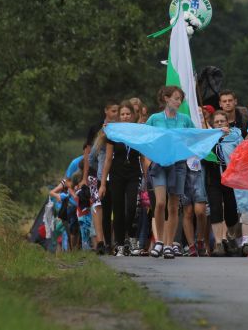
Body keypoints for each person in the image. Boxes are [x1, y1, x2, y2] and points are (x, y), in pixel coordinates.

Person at [144, 85, 195, 259]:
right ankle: (159, 241)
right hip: (158, 165)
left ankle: (168, 244)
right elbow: (141, 136)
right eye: (175, 98)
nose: (178, 102)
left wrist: (219, 131)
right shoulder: (154, 119)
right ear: (166, 99)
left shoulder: (185, 120)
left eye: (180, 99)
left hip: (178, 165)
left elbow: (197, 136)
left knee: (173, 206)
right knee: (159, 204)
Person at [99, 101, 148, 256]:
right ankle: (120, 244)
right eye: (122, 114)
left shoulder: (138, 132)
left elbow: (142, 157)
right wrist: (102, 184)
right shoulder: (113, 133)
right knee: (118, 210)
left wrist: (147, 177)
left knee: (132, 208)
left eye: (128, 114)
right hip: (117, 174)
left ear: (132, 116)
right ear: (119, 117)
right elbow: (107, 159)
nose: (126, 117)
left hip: (134, 174)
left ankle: (132, 238)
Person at [204, 110, 243, 256]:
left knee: (231, 212)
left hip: (230, 178)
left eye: (222, 121)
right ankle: (219, 244)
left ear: (227, 123)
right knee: (215, 209)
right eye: (217, 122)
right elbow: (202, 156)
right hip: (213, 179)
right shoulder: (208, 139)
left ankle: (231, 236)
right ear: (212, 124)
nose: (220, 124)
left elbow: (242, 154)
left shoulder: (235, 136)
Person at [82, 100, 119, 253]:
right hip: (97, 173)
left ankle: (113, 241)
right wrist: (85, 177)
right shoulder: (97, 128)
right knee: (98, 205)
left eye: (118, 111)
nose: (115, 115)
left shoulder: (122, 129)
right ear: (106, 111)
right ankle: (100, 240)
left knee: (112, 206)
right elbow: (88, 154)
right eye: (113, 111)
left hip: (115, 173)